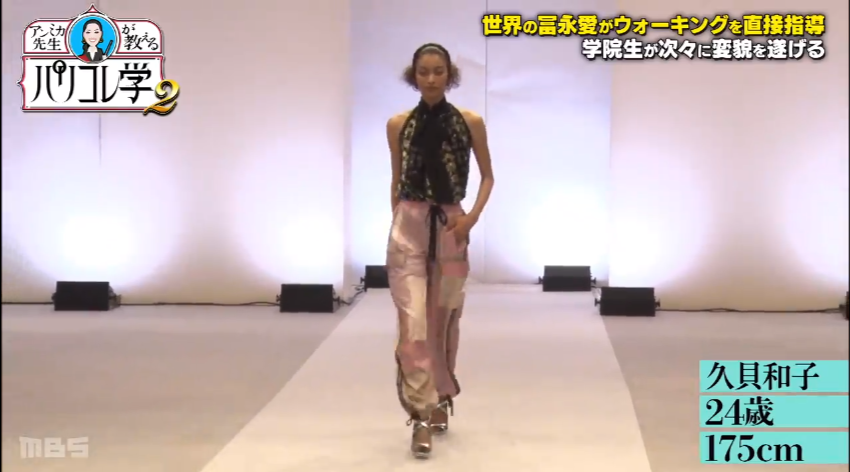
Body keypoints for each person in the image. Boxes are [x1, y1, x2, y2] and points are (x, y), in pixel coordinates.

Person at [385, 43, 494, 459]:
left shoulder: (470, 122)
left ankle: (441, 395)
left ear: (450, 75)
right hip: (408, 229)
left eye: (438, 71)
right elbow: (396, 179)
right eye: (423, 72)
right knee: (412, 322)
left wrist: (470, 219)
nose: (431, 79)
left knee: (444, 319)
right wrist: (399, 219)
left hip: (451, 228)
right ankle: (420, 414)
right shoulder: (398, 124)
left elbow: (488, 176)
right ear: (413, 76)